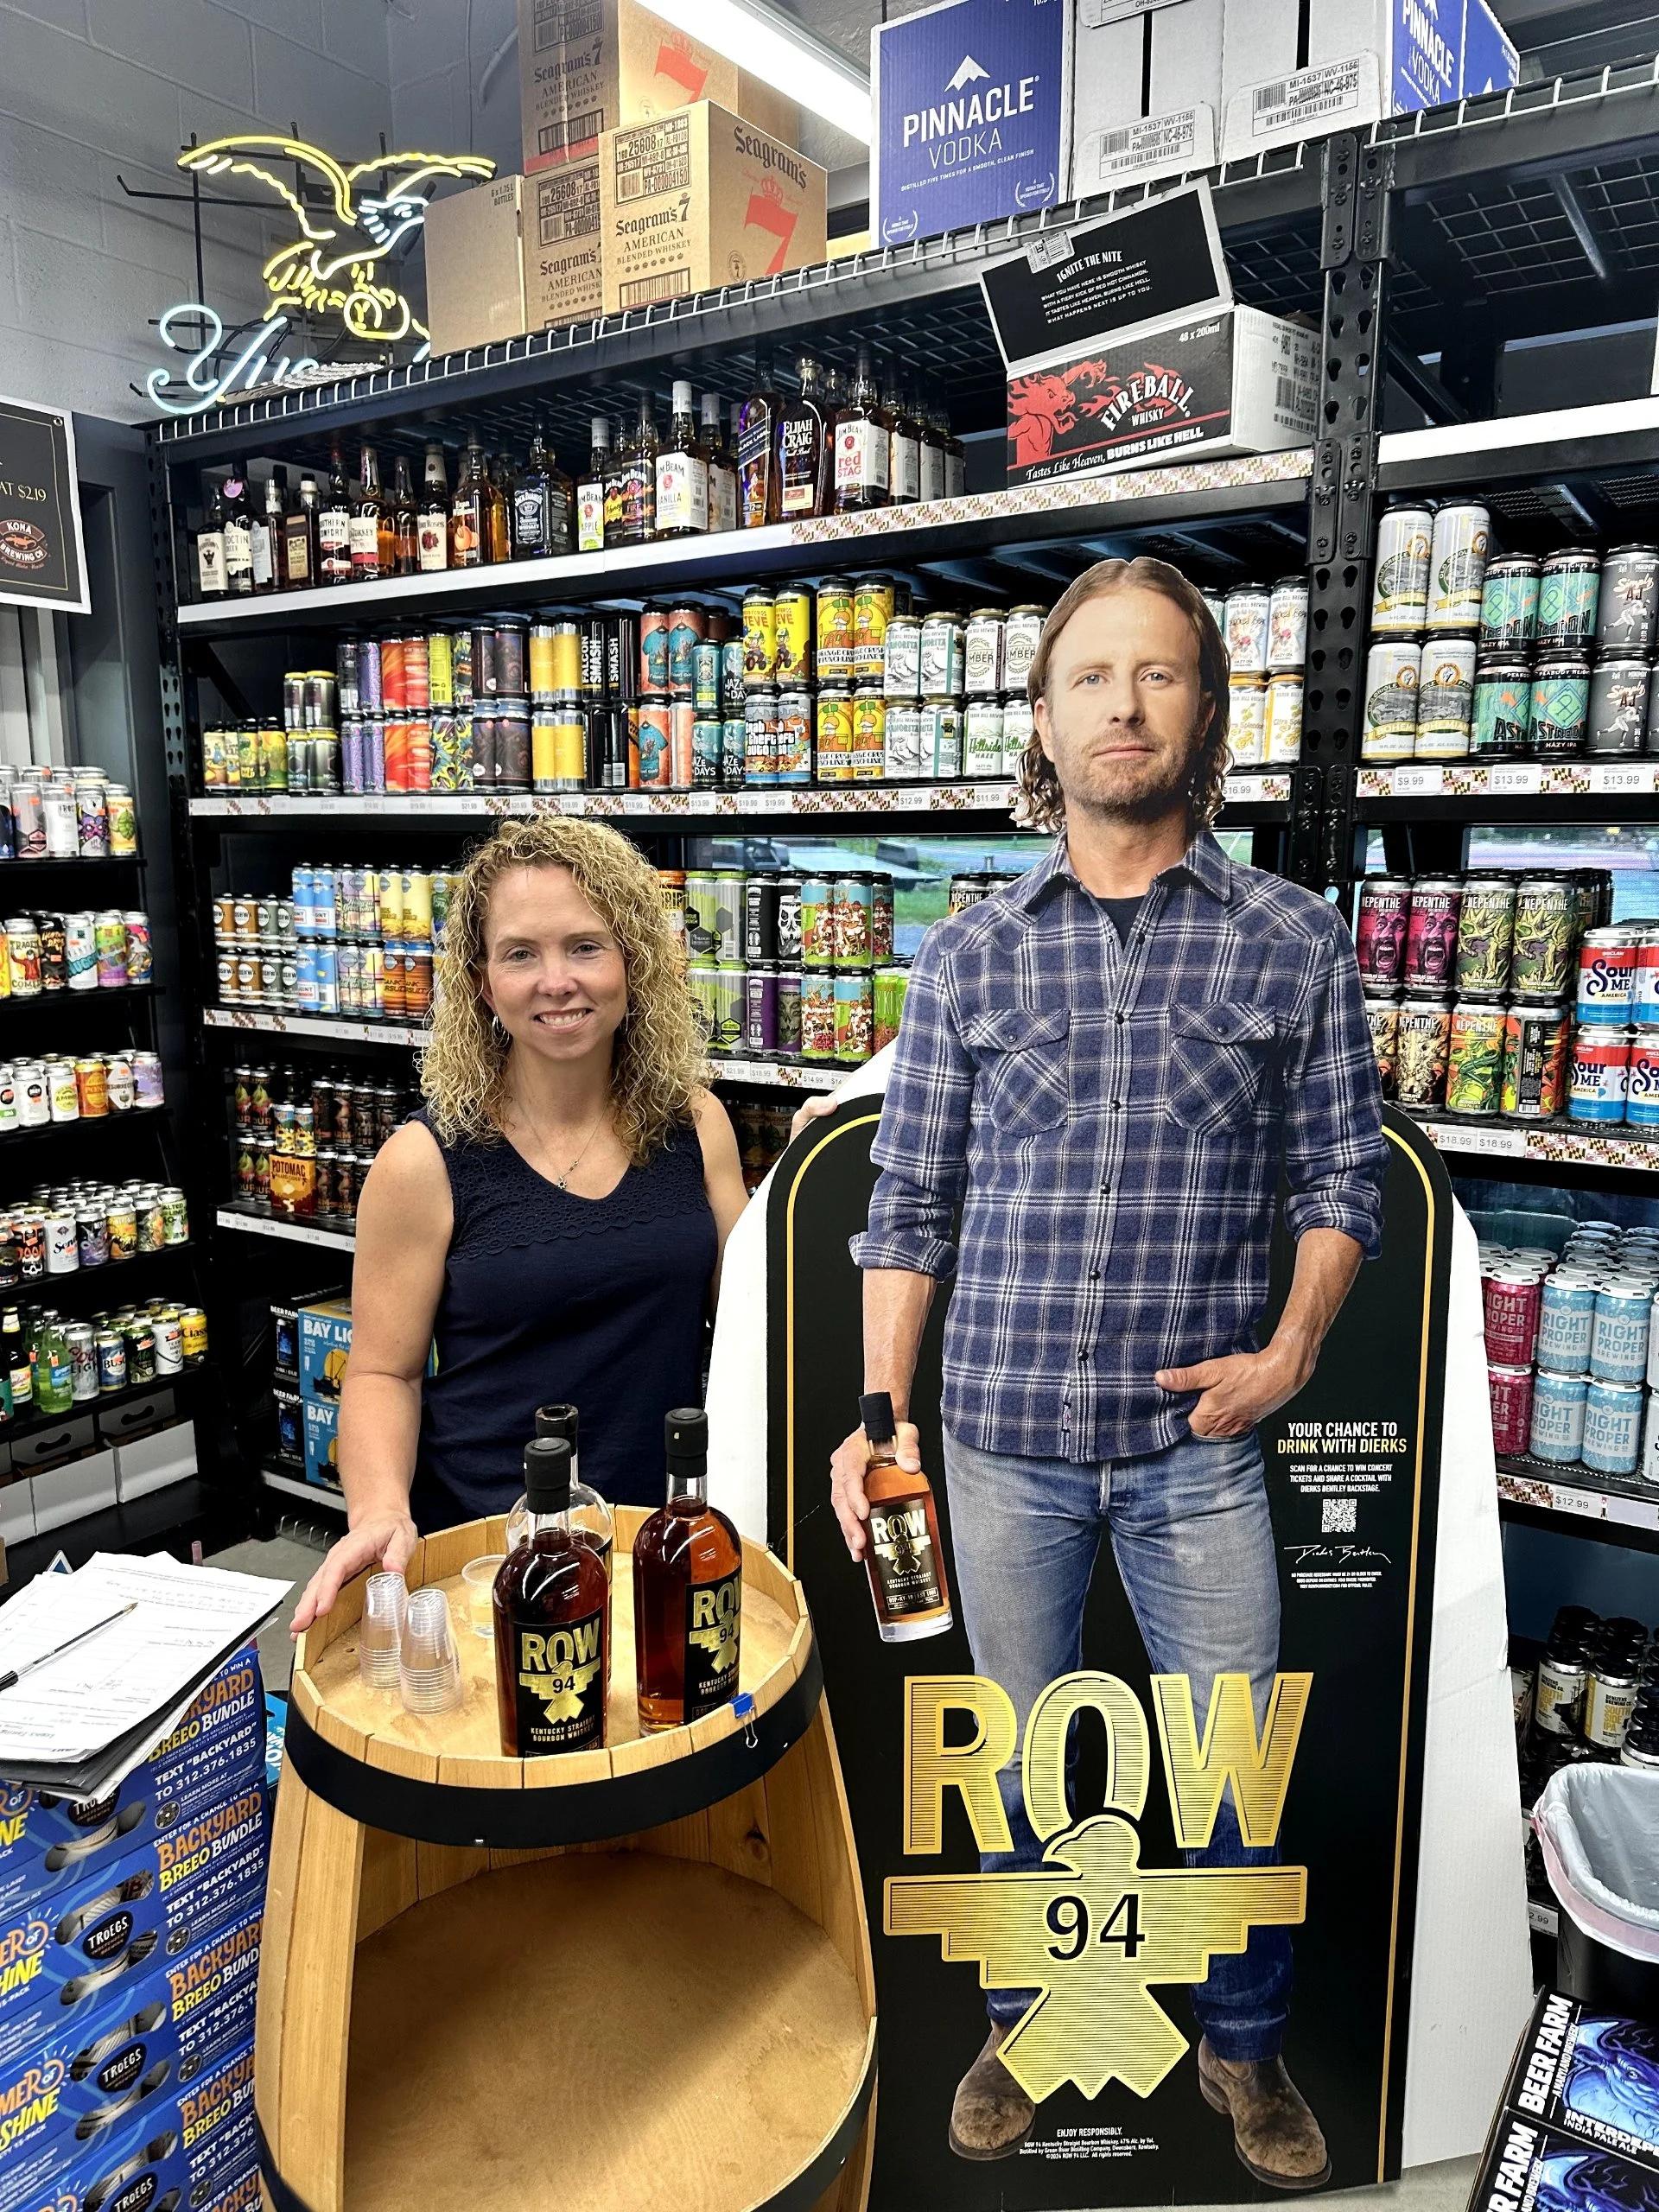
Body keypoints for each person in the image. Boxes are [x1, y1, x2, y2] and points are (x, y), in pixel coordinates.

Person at [826, 556, 1388, 2183]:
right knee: (1016, 1761)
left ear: (1206, 711)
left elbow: (1342, 1179)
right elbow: (909, 1200)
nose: (1124, 705)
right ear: (1045, 715)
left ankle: (1245, 2051)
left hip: (1196, 1451)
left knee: (1230, 1775)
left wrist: (1289, 1352)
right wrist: (883, 1428)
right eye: (1092, 677)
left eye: (1158, 676)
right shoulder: (974, 950)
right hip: (996, 1443)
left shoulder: (1292, 940)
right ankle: (1021, 2019)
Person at [292, 815, 749, 1635]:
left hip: (662, 1540)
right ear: (481, 984)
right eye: (520, 954)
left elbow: (757, 1312)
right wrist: (379, 1510)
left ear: (634, 963)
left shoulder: (696, 1124)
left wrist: (827, 1160)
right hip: (490, 1558)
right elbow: (380, 1375)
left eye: (585, 946)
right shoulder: (423, 1163)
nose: (556, 981)